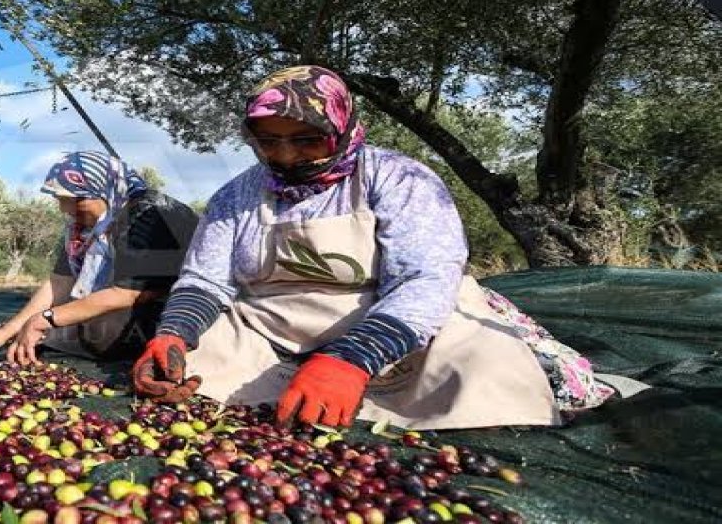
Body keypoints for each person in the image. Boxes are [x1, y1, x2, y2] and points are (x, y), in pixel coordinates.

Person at [132, 66, 618, 430]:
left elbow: (425, 279)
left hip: (392, 325)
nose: (284, 156)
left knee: (482, 372)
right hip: (273, 326)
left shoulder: (399, 178)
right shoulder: (237, 195)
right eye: (267, 142)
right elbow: (205, 279)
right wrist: (175, 333)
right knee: (190, 371)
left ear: (341, 128)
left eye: (306, 139)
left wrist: (352, 357)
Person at [0, 151, 200, 365]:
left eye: (78, 199)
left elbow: (132, 292)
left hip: (174, 312)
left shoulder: (149, 215)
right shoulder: (83, 230)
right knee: (65, 327)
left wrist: (45, 319)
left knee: (94, 331)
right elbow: (59, 283)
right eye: (61, 199)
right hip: (121, 304)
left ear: (104, 190)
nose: (66, 208)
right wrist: (5, 333)